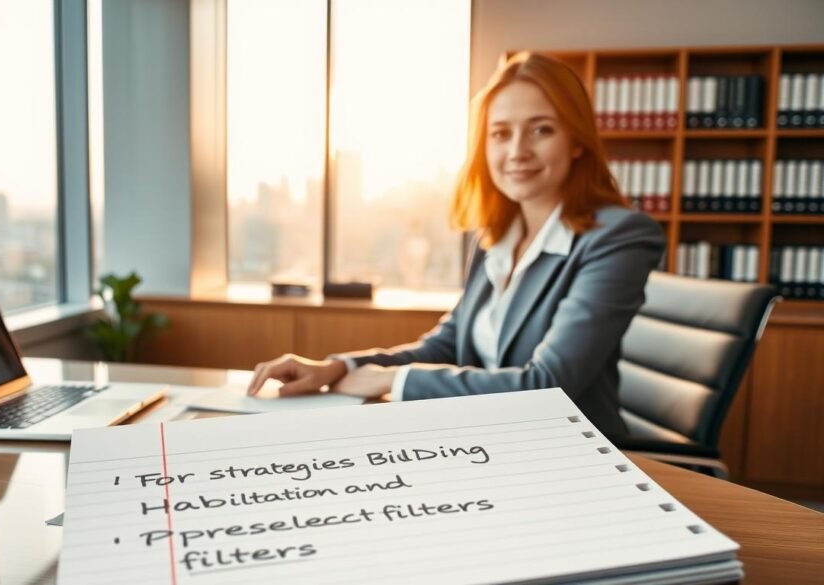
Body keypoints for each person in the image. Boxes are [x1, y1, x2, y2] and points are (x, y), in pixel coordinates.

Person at [246, 52, 665, 437]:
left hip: (574, 450)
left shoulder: (617, 237)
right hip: (491, 437)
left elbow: (548, 384)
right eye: (500, 134)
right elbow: (446, 345)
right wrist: (339, 367)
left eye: (541, 129)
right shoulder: (494, 236)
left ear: (576, 141)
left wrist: (392, 380)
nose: (517, 151)